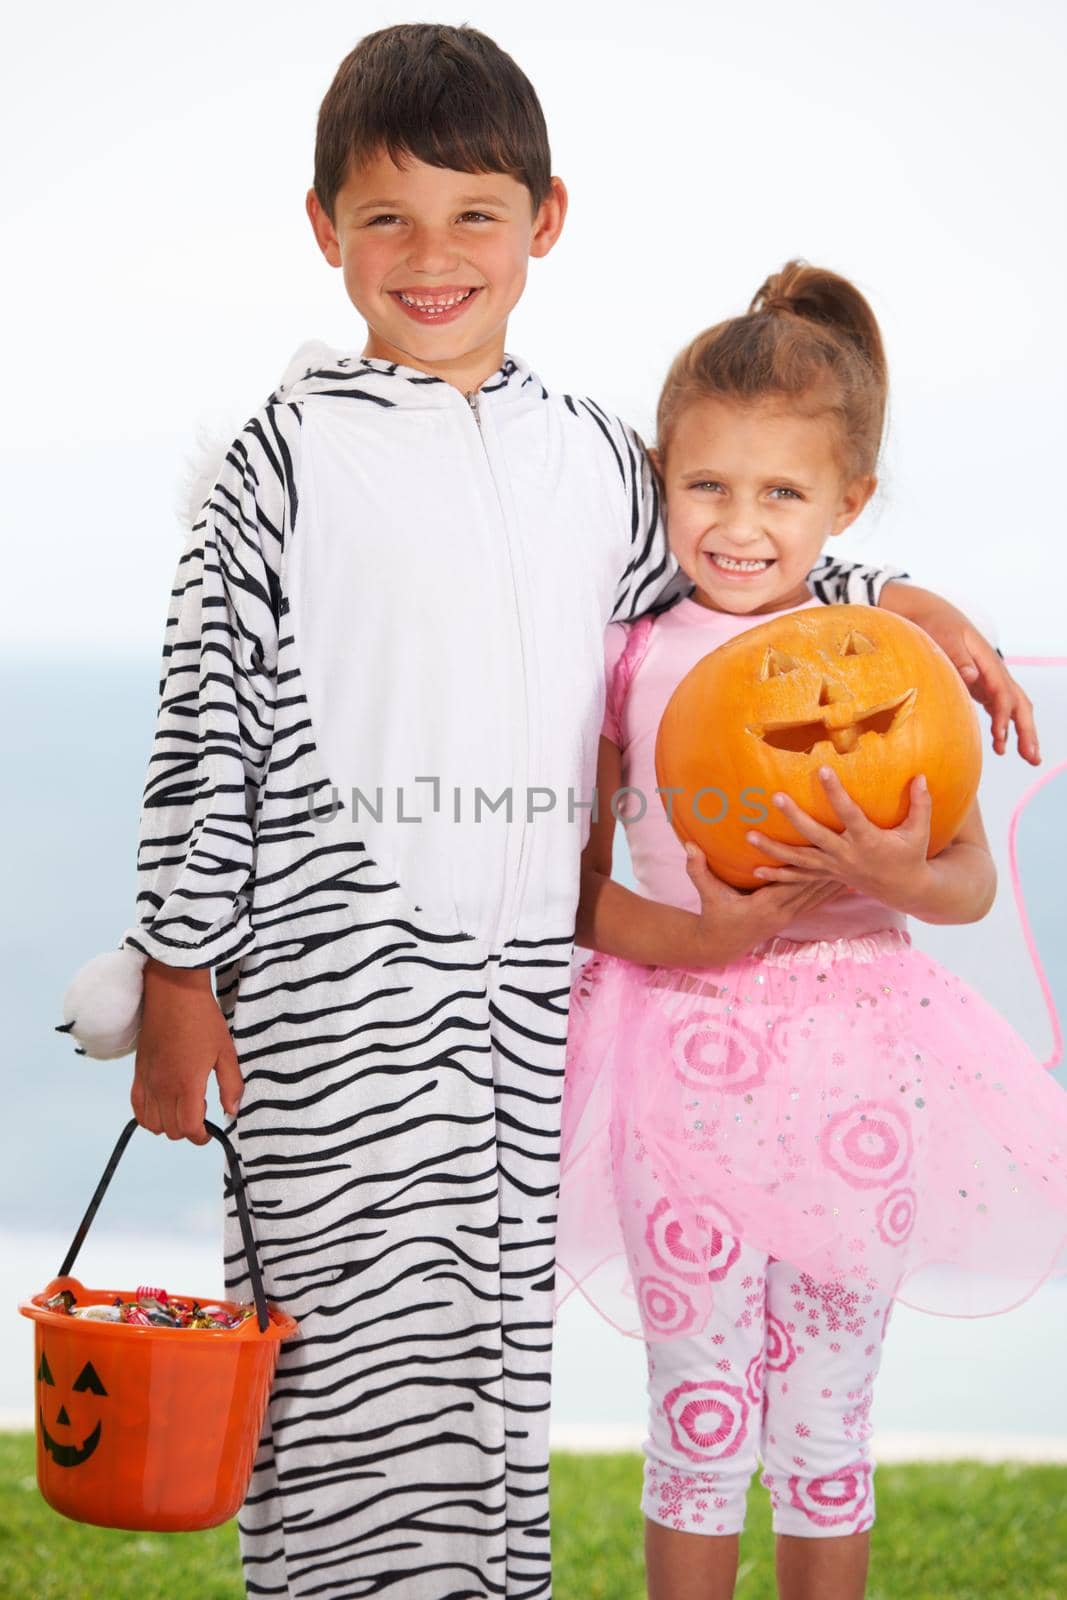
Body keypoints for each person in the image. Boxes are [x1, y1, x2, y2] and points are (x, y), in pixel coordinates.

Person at [108, 24, 1036, 1600]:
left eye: (476, 214)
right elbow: (207, 732)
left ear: (545, 221)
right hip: (334, 996)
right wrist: (182, 982)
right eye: (388, 217)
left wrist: (912, 601)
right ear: (324, 228)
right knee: (340, 1353)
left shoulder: (601, 461)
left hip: (527, 995)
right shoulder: (279, 466)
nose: (432, 255)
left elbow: (747, 601)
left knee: (486, 1361)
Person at [555, 261, 1064, 1600]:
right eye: (707, 486)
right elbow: (572, 887)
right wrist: (694, 938)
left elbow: (967, 887)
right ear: (663, 479)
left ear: (847, 504)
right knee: (702, 1413)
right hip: (683, 1075)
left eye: (782, 493)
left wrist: (893, 867)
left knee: (830, 1418)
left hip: (863, 1076)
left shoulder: (886, 666)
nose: (738, 524)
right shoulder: (624, 658)